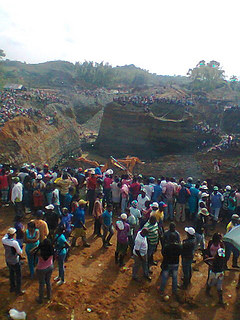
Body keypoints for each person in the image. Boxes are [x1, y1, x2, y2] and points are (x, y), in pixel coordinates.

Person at [2, 227, 25, 295]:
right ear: (13, 234)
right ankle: (18, 291)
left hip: (8, 259)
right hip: (15, 261)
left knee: (11, 273)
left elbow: (6, 236)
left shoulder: (3, 240)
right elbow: (20, 252)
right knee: (18, 276)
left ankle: (12, 287)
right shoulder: (14, 243)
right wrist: (21, 249)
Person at [159, 233, 182, 298]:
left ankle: (162, 289)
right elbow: (180, 253)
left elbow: (163, 253)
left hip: (167, 263)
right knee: (175, 277)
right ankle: (174, 291)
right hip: (175, 263)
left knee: (164, 277)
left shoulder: (167, 246)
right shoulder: (179, 246)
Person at [34, 239, 54, 303]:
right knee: (48, 281)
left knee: (41, 284)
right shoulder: (51, 250)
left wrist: (38, 247)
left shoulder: (39, 253)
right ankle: (49, 296)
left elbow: (31, 252)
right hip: (50, 266)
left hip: (41, 269)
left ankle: (40, 299)